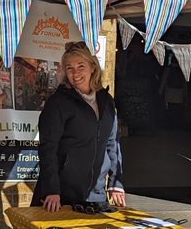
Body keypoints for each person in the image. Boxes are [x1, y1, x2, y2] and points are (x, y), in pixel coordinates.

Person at [35, 41, 125, 212]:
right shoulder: (58, 103)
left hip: (96, 193)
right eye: (69, 68)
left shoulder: (106, 101)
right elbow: (48, 148)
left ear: (93, 67)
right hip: (63, 193)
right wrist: (52, 189)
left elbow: (112, 144)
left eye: (80, 66)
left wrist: (115, 182)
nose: (75, 73)